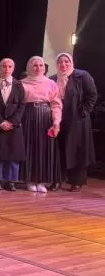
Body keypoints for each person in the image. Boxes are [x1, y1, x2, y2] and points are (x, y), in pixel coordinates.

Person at [50, 53, 97, 192]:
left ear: (71, 62)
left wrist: (83, 112)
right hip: (58, 118)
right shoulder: (53, 79)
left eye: (66, 61)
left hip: (78, 120)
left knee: (77, 150)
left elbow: (92, 95)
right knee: (58, 149)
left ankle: (76, 181)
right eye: (60, 62)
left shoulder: (82, 76)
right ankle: (57, 180)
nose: (63, 64)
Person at [20, 56, 62, 193]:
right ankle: (29, 180)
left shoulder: (51, 83)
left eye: (41, 65)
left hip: (45, 117)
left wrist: (56, 123)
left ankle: (42, 181)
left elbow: (56, 104)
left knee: (44, 148)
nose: (38, 68)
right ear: (29, 67)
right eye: (35, 65)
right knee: (29, 147)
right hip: (27, 116)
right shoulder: (21, 83)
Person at [0, 58, 26, 191]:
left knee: (13, 152)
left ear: (13, 69)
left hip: (14, 125)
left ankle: (11, 181)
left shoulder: (19, 85)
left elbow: (21, 105)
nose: (6, 69)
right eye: (4, 66)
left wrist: (12, 121)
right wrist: (0, 121)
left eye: (9, 66)